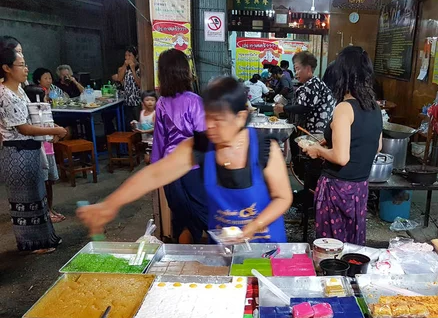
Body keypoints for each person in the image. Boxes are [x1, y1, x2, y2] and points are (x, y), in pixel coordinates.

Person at [77, 76, 293, 243]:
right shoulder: (200, 145)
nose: (209, 126)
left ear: (241, 117)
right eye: (207, 117)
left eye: (218, 120)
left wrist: (252, 228)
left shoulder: (265, 148)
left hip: (267, 246)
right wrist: (110, 204)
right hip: (225, 246)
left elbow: (283, 198)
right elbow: (155, 174)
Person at [302, 47, 382, 245]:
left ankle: (332, 275)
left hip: (337, 188)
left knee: (332, 244)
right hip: (360, 188)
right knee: (353, 242)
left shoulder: (344, 108)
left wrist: (318, 150)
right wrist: (330, 142)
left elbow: (341, 157)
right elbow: (376, 146)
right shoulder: (374, 107)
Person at [0, 41, 66, 253]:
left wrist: (50, 127)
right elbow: (24, 128)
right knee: (24, 201)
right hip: (16, 152)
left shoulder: (19, 89)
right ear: (7, 68)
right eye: (21, 64)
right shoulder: (5, 94)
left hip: (29, 150)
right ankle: (31, 244)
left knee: (37, 197)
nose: (26, 68)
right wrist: (54, 132)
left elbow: (32, 117)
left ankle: (44, 239)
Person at [147, 49, 207, 243]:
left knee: (181, 216)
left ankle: (185, 260)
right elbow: (203, 138)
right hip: (193, 168)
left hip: (170, 169)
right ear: (184, 71)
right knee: (203, 215)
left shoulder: (162, 103)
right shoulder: (194, 101)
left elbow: (159, 140)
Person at [23, 84, 66, 223]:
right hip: (39, 153)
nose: (47, 99)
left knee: (49, 183)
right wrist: (55, 131)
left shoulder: (44, 110)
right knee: (42, 183)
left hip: (49, 151)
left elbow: (52, 125)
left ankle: (50, 208)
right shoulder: (28, 113)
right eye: (45, 96)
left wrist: (58, 133)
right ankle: (45, 211)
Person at [274, 51, 336, 135]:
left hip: (316, 134)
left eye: (297, 68)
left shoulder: (313, 84)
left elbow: (305, 108)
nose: (296, 73)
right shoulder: (309, 84)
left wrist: (283, 108)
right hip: (308, 132)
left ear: (308, 69)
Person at [113, 46, 141, 130]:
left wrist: (133, 69)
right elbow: (119, 79)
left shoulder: (140, 68)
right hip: (127, 101)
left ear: (135, 56)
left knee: (138, 124)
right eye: (126, 55)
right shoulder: (123, 68)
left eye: (130, 55)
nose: (127, 58)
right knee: (129, 125)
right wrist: (125, 66)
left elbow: (140, 84)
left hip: (137, 101)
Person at [133, 90, 157, 164]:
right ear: (142, 102)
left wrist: (144, 131)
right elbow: (140, 125)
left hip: (153, 141)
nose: (150, 102)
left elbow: (156, 128)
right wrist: (135, 124)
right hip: (144, 140)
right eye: (147, 100)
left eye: (152, 100)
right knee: (147, 161)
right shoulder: (142, 112)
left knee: (150, 160)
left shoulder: (155, 113)